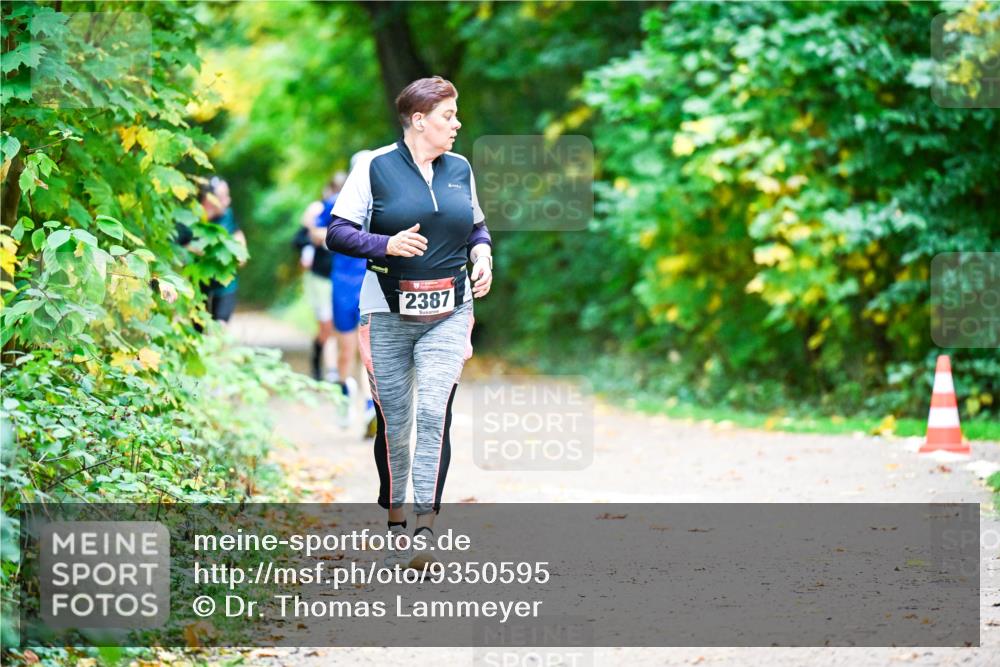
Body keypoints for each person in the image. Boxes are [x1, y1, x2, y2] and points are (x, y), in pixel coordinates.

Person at [326, 76, 493, 568]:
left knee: (434, 414)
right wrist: (387, 245)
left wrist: (482, 254)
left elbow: (476, 226)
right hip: (386, 311)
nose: (457, 124)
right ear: (419, 121)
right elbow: (337, 232)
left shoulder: (460, 168)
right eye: (448, 116)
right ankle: (397, 518)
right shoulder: (374, 167)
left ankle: (425, 528)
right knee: (395, 424)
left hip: (450, 309)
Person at [314, 159, 378, 434]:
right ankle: (343, 392)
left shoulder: (385, 201)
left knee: (369, 350)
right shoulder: (340, 202)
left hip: (372, 281)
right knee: (347, 350)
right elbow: (315, 230)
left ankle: (370, 405)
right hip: (343, 282)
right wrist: (337, 237)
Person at [295, 177, 339, 381]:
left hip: (341, 277)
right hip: (320, 276)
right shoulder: (317, 211)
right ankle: (322, 364)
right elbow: (299, 239)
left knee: (338, 326)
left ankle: (333, 369)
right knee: (327, 325)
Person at [198, 177, 246, 323]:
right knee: (198, 328)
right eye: (223, 197)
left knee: (220, 326)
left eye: (227, 195)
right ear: (208, 199)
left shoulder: (228, 216)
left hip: (225, 285)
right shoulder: (193, 218)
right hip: (199, 285)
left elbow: (241, 256)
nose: (228, 201)